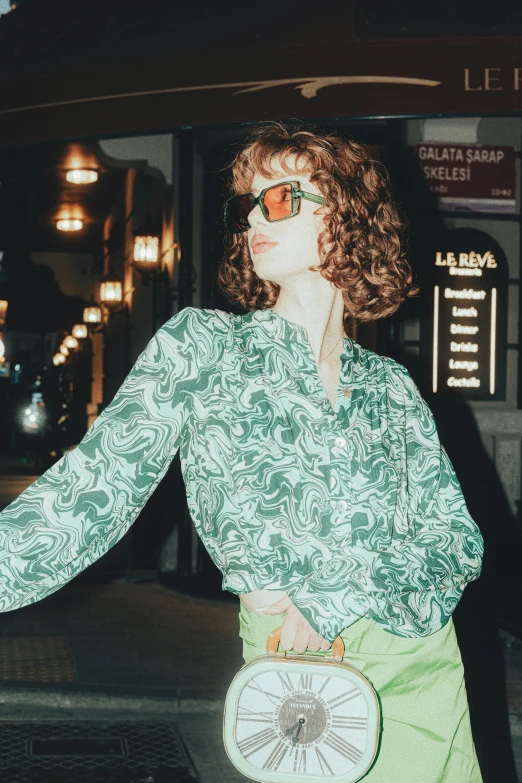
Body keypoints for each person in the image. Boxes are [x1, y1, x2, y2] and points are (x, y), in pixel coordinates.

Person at [0, 121, 484, 782]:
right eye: (245, 204)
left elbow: (454, 540)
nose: (254, 215)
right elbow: (90, 491)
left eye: (280, 198)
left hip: (416, 664)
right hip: (293, 679)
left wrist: (330, 592)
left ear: (345, 216)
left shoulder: (390, 388)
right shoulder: (205, 347)